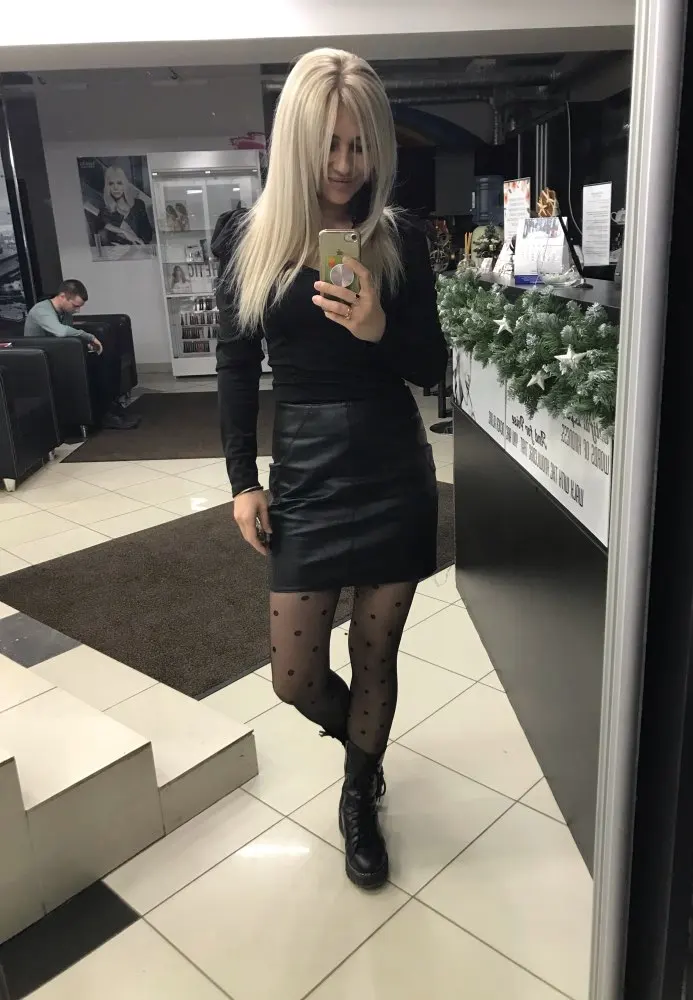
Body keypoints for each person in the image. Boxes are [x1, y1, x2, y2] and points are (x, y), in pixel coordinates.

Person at [216, 48, 447, 890]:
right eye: (330, 145)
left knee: (376, 652)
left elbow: (433, 366)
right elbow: (236, 364)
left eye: (360, 145)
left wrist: (379, 327)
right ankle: (362, 743)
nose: (346, 165)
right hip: (306, 469)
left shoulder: (399, 238)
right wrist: (243, 479)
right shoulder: (249, 237)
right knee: (295, 676)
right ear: (297, 142)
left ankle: (359, 791)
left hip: (393, 469)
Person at [24, 279, 139, 430]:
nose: (77, 311)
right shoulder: (41, 310)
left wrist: (86, 346)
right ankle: (105, 415)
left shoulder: (65, 312)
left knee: (107, 358)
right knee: (96, 368)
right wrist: (89, 337)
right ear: (62, 296)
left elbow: (67, 337)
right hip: (41, 362)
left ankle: (110, 408)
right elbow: (61, 332)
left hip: (58, 355)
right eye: (75, 306)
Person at [98, 165, 153, 248]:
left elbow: (148, 236)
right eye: (111, 183)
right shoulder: (106, 211)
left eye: (119, 183)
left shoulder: (138, 205)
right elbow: (102, 231)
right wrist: (124, 232)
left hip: (142, 251)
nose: (115, 188)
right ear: (108, 187)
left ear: (125, 185)